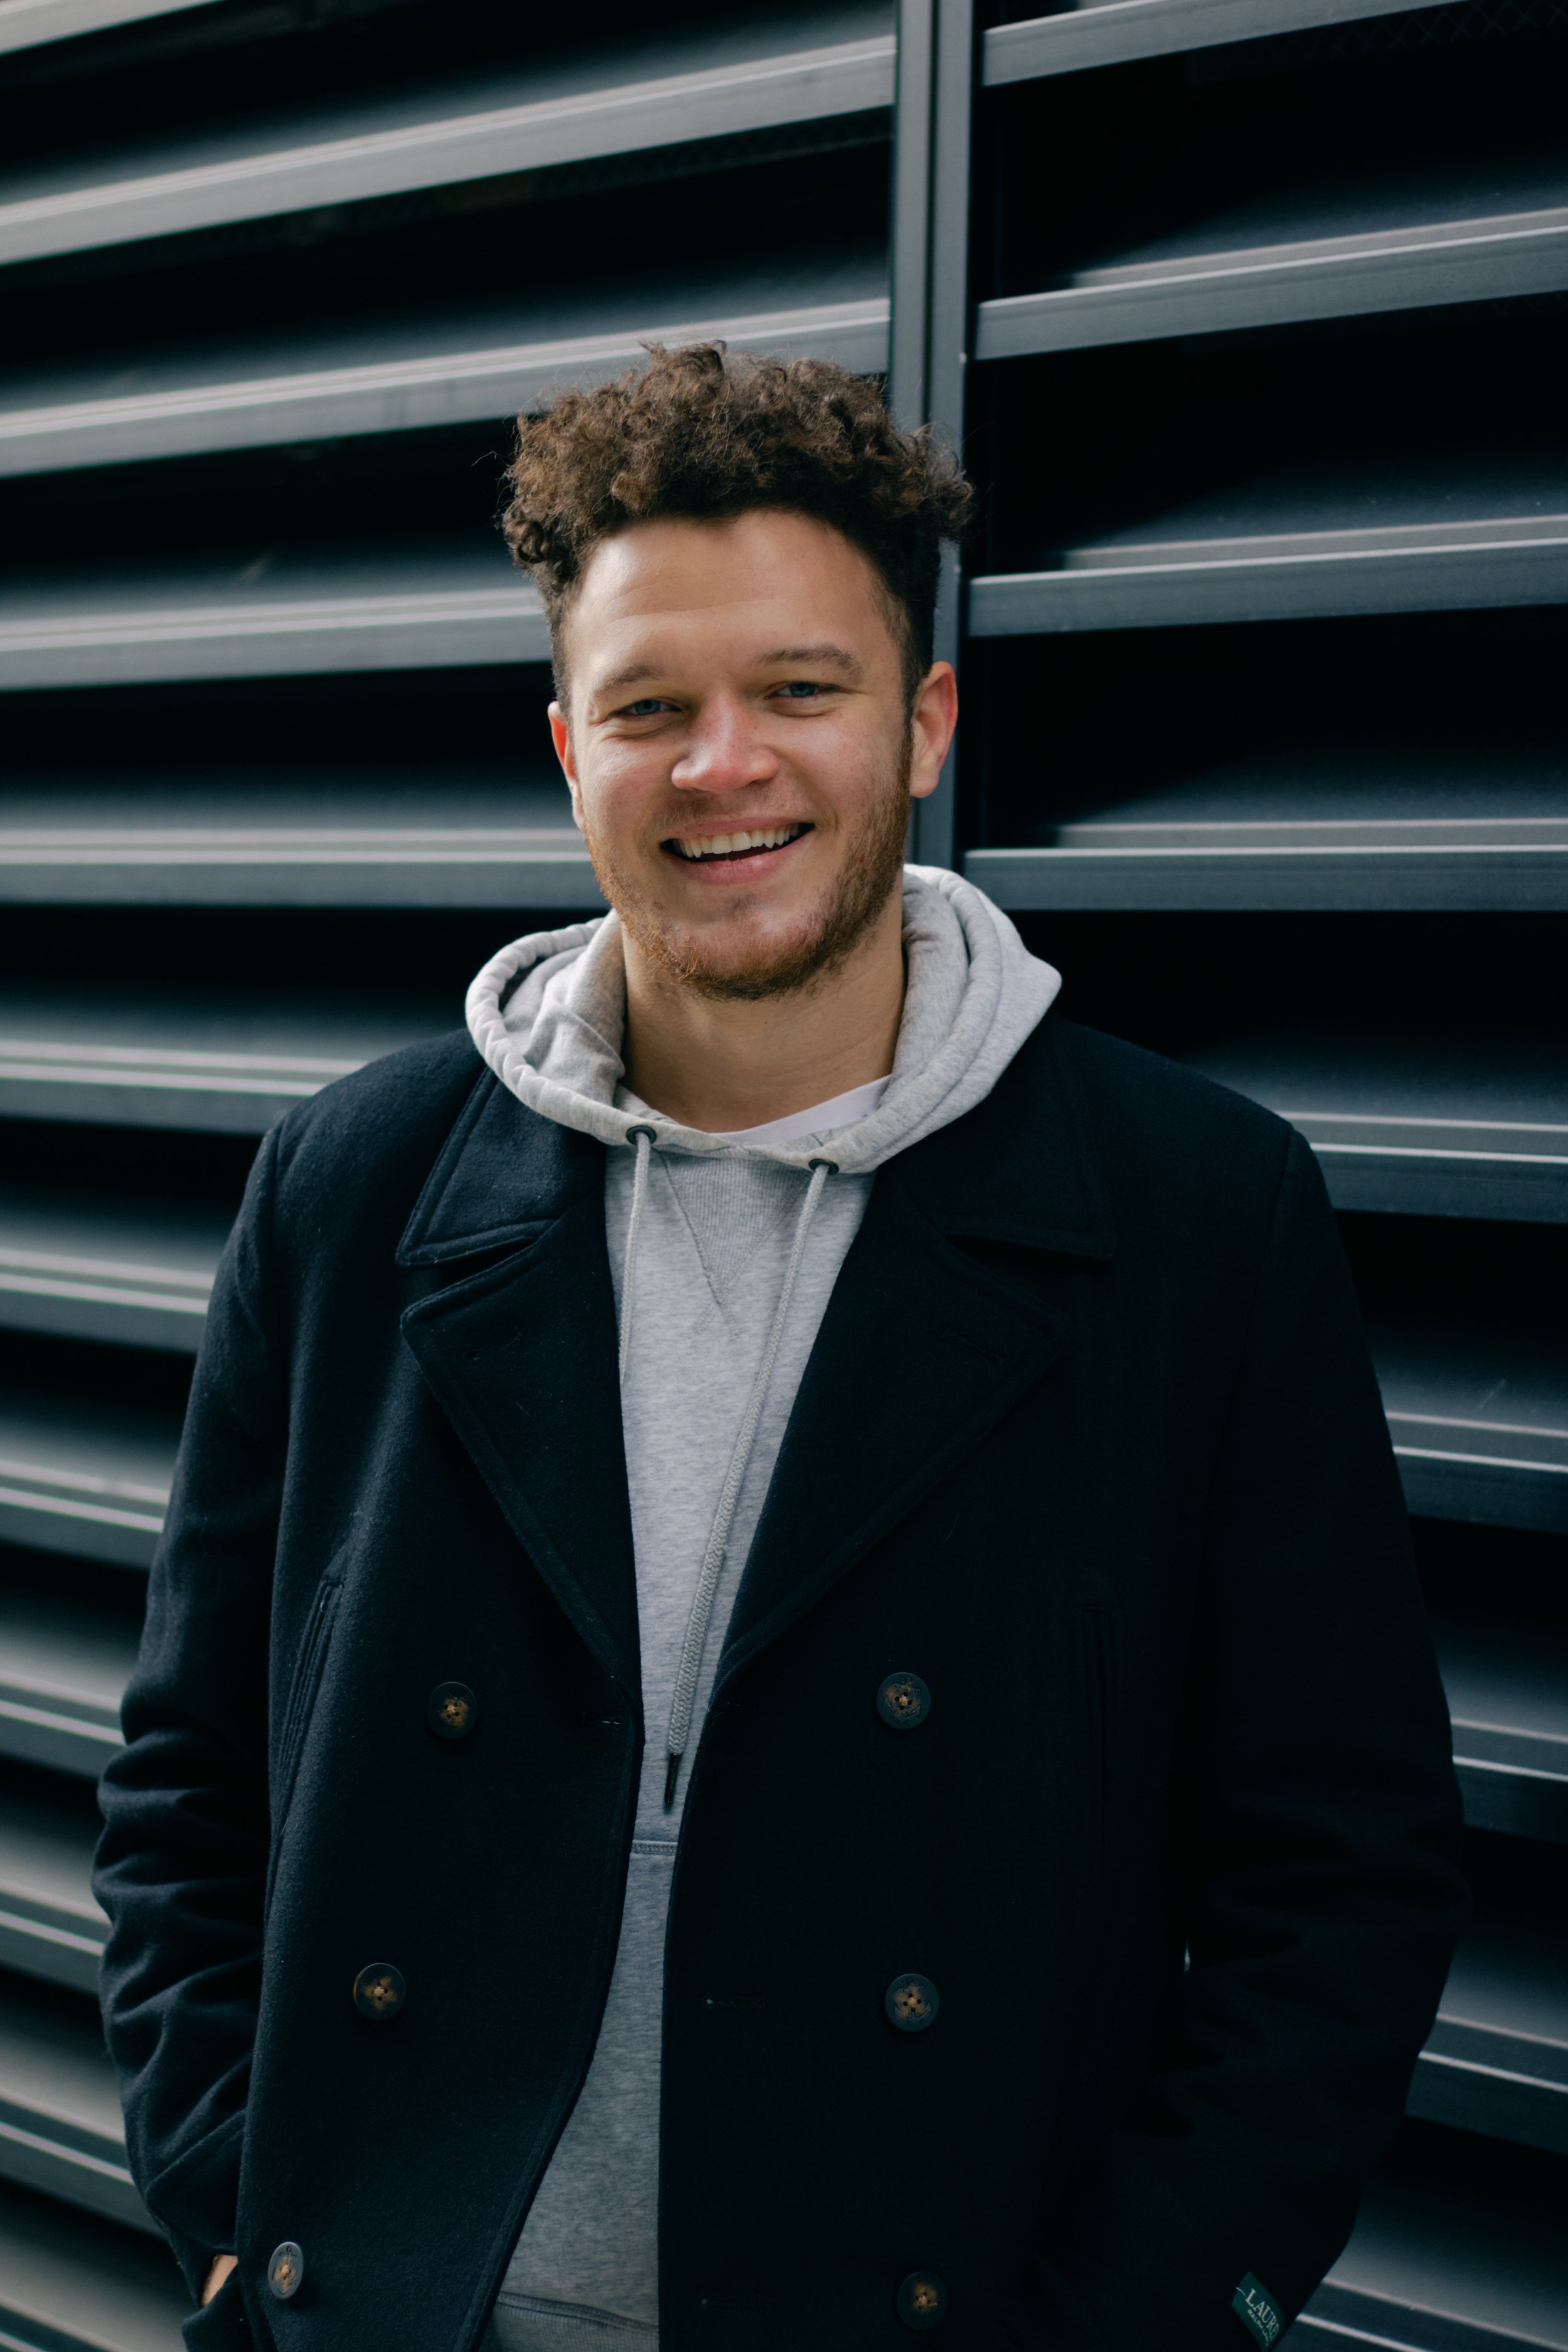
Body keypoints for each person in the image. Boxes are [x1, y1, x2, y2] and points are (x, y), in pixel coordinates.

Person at [96, 344, 1466, 2352]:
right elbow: (188, 1782)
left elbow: (1337, 1875)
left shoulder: (1189, 1210)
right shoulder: (353, 1186)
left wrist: (1146, 2321)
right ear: (567, 747)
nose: (719, 763)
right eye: (649, 707)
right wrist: (234, 2212)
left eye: (796, 694)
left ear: (920, 725)